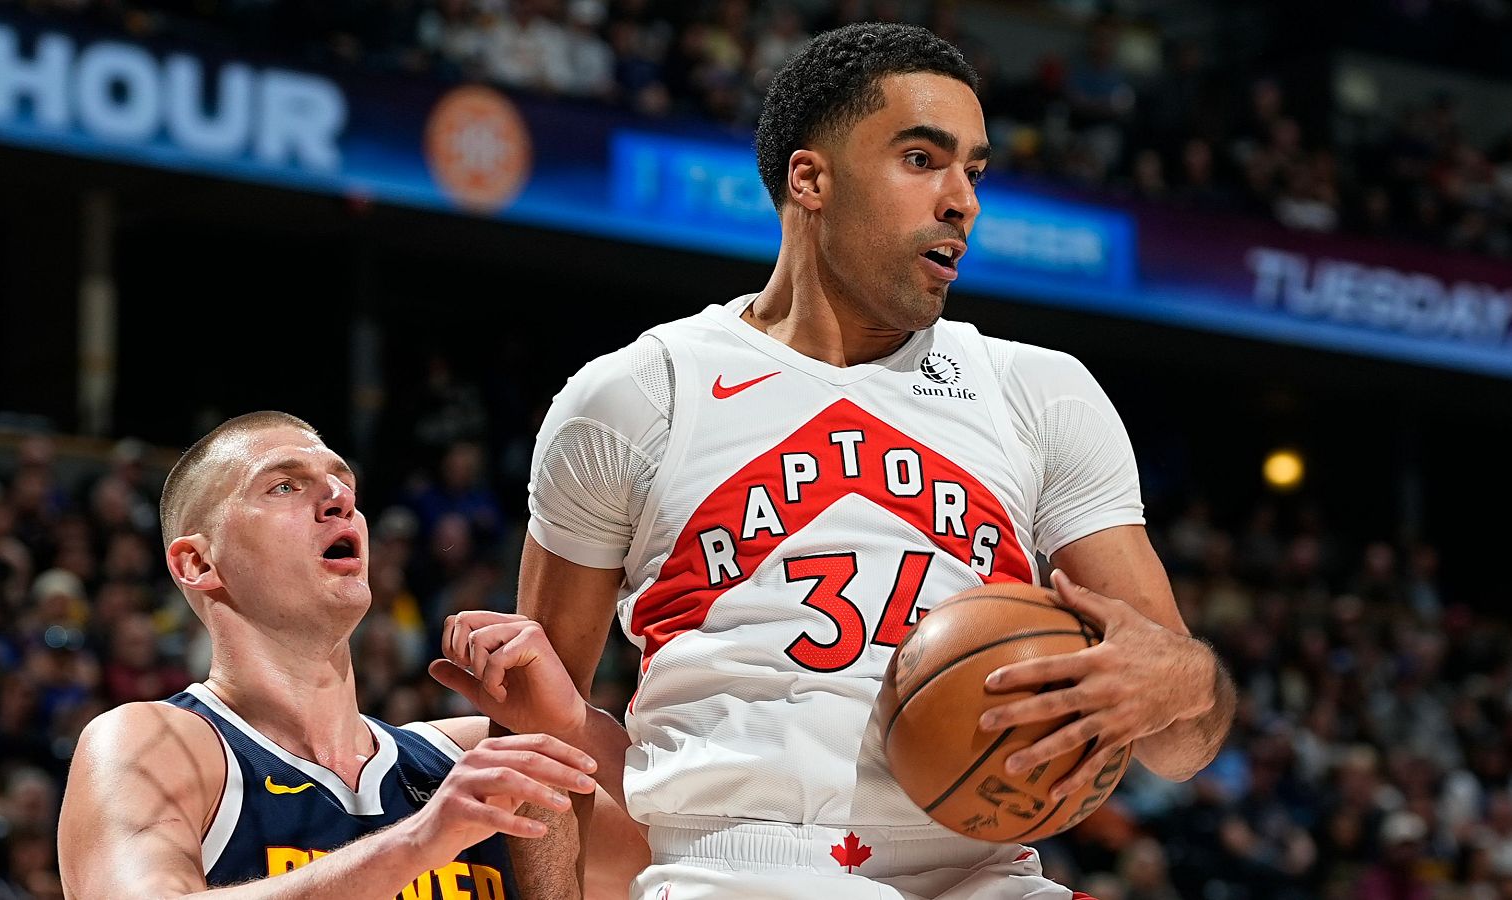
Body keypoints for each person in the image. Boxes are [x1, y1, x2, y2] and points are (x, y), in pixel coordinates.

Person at [504, 22, 1237, 900]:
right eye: (923, 159)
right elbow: (538, 730)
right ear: (810, 179)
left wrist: (1184, 682)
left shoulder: (1041, 392)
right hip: (738, 871)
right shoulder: (636, 395)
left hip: (988, 870)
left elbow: (1182, 747)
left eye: (975, 169)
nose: (961, 198)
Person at [57, 411, 646, 899]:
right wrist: (415, 844)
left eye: (344, 485)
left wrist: (572, 722)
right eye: (284, 485)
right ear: (198, 563)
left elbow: (710, 855)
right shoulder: (156, 743)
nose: (338, 499)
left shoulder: (471, 754)